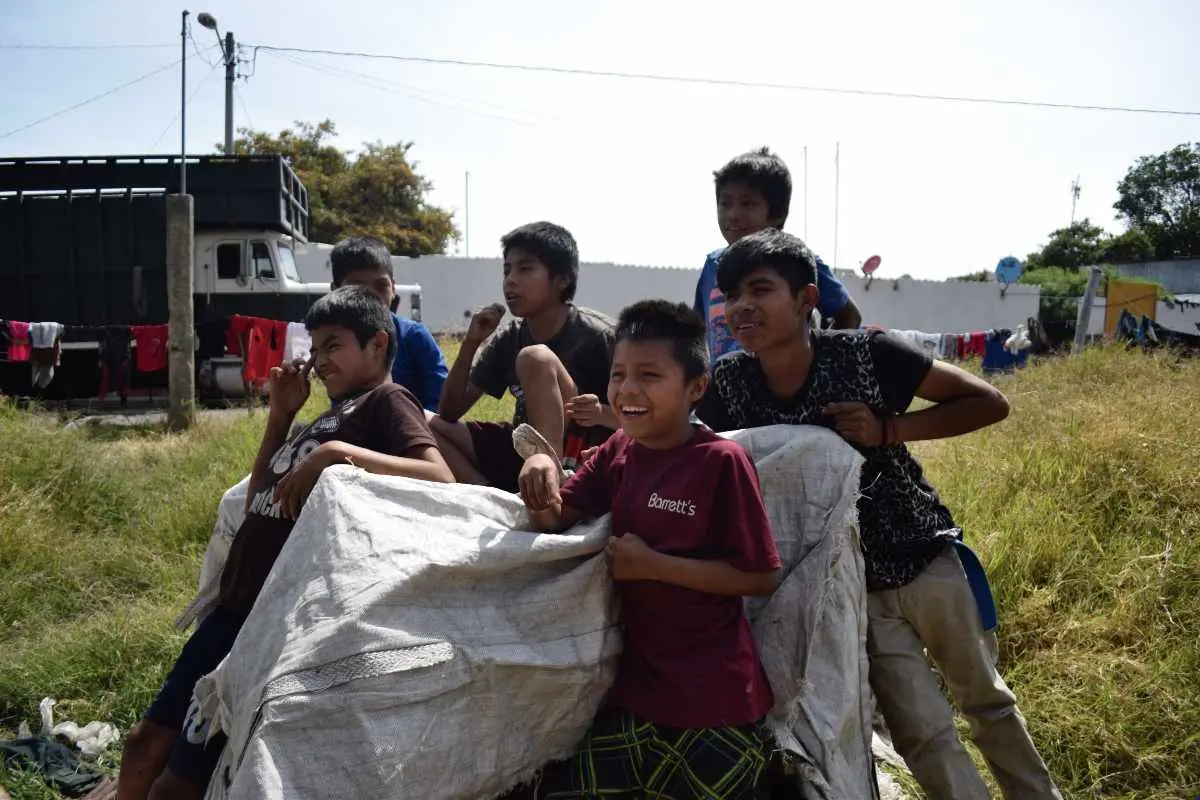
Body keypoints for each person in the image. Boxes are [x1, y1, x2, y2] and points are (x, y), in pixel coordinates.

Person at [694, 229, 1062, 800]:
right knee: (921, 732)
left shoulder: (867, 354)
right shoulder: (731, 383)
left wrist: (889, 429)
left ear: (806, 299)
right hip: (850, 590)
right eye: (732, 295)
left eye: (759, 290)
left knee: (986, 701)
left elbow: (989, 402)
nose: (742, 307)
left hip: (923, 558)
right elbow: (697, 452)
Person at [116, 286, 454, 800]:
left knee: (178, 783)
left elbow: (439, 478)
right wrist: (280, 417)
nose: (319, 361)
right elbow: (260, 500)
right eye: (314, 348)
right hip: (234, 608)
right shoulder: (325, 419)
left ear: (378, 344)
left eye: (334, 345)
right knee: (143, 744)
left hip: (271, 623)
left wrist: (334, 454)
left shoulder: (387, 401)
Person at [519, 299, 781, 799]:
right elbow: (555, 516)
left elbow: (761, 576)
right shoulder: (619, 451)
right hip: (636, 697)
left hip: (717, 704)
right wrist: (540, 468)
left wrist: (655, 566)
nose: (627, 390)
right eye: (618, 375)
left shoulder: (721, 462)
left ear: (695, 388)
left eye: (649, 375)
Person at [432, 221, 617, 491]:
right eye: (507, 270)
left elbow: (652, 417)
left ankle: (550, 484)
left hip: (583, 458)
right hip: (522, 449)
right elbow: (448, 413)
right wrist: (471, 343)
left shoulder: (600, 336)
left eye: (525, 269)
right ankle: (491, 496)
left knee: (536, 359)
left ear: (563, 279)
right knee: (423, 422)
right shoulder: (510, 337)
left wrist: (601, 413)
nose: (511, 280)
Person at [694, 146, 862, 362]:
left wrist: (823, 364)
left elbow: (849, 315)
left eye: (747, 203)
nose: (733, 214)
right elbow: (698, 329)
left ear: (777, 214)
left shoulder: (795, 262)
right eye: (725, 204)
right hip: (726, 382)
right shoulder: (712, 264)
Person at [330, 235, 448, 411]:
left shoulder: (414, 337)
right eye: (357, 288)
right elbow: (339, 409)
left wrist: (407, 422)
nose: (372, 296)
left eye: (381, 286)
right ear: (335, 291)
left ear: (393, 288)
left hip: (417, 425)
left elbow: (441, 403)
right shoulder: (333, 344)